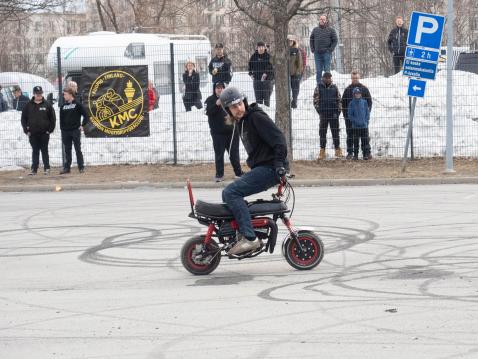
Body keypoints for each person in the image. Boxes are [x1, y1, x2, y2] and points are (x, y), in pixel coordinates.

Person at [219, 86, 287, 255]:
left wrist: (279, 165)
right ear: (228, 110)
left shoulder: (256, 116)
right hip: (263, 167)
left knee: (231, 193)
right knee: (230, 193)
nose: (239, 108)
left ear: (244, 102)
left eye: (240, 104)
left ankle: (249, 238)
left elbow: (279, 140)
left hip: (271, 168)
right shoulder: (242, 122)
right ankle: (242, 231)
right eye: (234, 107)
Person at [204, 82, 243, 182]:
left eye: (221, 88)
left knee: (234, 153)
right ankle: (219, 175)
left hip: (232, 132)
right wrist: (216, 105)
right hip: (218, 134)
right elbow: (207, 112)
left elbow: (239, 110)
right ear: (214, 89)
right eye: (217, 88)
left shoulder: (230, 99)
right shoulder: (210, 100)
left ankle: (238, 173)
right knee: (219, 154)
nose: (219, 90)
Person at [21, 86, 56, 175]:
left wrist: (50, 130)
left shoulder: (47, 104)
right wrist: (26, 130)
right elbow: (23, 119)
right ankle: (34, 169)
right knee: (35, 151)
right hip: (32, 133)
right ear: (34, 94)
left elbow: (53, 118)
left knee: (44, 150)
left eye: (40, 93)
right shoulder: (28, 105)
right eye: (37, 94)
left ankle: (47, 168)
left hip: (44, 133)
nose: (39, 95)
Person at [341, 71, 372, 159]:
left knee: (365, 137)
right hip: (351, 120)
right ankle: (351, 153)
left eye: (356, 78)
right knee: (351, 136)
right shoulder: (347, 90)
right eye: (353, 78)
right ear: (351, 78)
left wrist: (366, 117)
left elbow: (369, 103)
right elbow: (343, 104)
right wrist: (347, 117)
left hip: (363, 120)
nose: (355, 80)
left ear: (359, 78)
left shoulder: (364, 89)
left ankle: (367, 153)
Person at [313, 72, 342, 160]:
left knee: (335, 132)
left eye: (329, 77)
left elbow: (339, 100)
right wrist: (320, 112)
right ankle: (322, 151)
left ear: (331, 78)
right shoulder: (318, 87)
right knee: (322, 133)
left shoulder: (335, 87)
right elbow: (315, 101)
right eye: (326, 77)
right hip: (323, 114)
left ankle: (337, 150)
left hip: (334, 114)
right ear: (323, 78)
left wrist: (338, 112)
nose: (328, 79)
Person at [59, 86, 89, 174]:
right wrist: (62, 130)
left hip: (75, 130)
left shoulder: (78, 104)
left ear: (70, 95)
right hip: (65, 132)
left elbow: (86, 116)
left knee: (77, 149)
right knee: (67, 150)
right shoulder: (63, 106)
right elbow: (61, 119)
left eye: (65, 94)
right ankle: (67, 168)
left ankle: (81, 167)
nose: (64, 96)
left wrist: (82, 125)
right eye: (64, 94)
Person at [310, 14, 338, 84]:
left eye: (323, 19)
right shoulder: (315, 30)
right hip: (317, 53)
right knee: (318, 71)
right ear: (319, 20)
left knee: (327, 71)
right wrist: (312, 49)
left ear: (326, 21)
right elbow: (311, 39)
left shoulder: (331, 30)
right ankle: (319, 87)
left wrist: (330, 49)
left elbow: (335, 40)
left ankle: (327, 85)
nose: (322, 20)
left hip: (327, 53)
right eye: (321, 19)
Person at [248, 41, 274, 107]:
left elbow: (271, 67)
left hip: (266, 81)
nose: (261, 48)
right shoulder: (253, 57)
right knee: (258, 101)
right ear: (257, 48)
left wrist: (266, 74)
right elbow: (249, 67)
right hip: (257, 81)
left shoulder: (268, 56)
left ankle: (267, 114)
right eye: (259, 47)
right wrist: (251, 74)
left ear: (264, 47)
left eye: (262, 47)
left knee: (266, 101)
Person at [347, 88, 371, 160]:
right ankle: (356, 155)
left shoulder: (364, 102)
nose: (358, 95)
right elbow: (350, 115)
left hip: (364, 126)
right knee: (356, 141)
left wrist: (365, 120)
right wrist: (355, 121)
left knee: (365, 141)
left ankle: (365, 154)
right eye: (356, 93)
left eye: (359, 93)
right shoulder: (351, 103)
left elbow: (367, 112)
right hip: (356, 126)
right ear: (354, 95)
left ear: (361, 94)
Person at [288, 36, 304, 109]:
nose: (290, 42)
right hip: (286, 74)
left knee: (295, 89)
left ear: (293, 42)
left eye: (291, 41)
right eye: (288, 41)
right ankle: (287, 102)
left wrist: (298, 72)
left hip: (295, 74)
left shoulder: (297, 51)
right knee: (287, 90)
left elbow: (300, 62)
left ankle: (294, 101)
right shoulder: (284, 50)